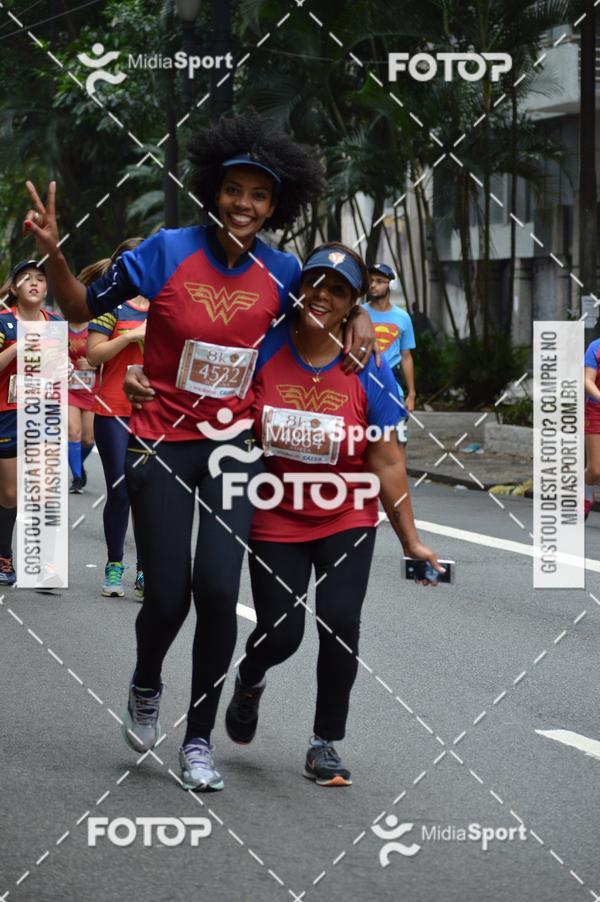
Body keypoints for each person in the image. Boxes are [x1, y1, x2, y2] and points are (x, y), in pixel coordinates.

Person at [23, 112, 376, 793]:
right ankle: (148, 680)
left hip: (234, 450)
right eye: (234, 190)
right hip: (160, 440)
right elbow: (78, 309)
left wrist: (359, 312)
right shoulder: (165, 250)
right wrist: (59, 257)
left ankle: (198, 741)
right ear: (214, 190)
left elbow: (329, 300)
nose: (244, 205)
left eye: (260, 196)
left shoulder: (280, 273)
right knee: (169, 597)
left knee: (218, 591)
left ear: (276, 206)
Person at [224, 244, 443, 786]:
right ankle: (251, 676)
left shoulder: (365, 367)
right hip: (276, 513)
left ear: (352, 304)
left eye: (339, 290)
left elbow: (388, 458)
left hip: (346, 512)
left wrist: (412, 541)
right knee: (282, 635)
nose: (322, 294)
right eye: (315, 282)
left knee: (341, 625)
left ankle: (325, 743)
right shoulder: (264, 346)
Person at [83, 240, 147, 599]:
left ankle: (145, 571)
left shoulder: (167, 305)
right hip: (112, 410)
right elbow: (93, 355)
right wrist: (133, 336)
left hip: (154, 413)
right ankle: (114, 566)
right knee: (120, 490)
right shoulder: (111, 306)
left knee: (147, 494)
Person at [0, 261, 62, 587]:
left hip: (43, 412)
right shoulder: (3, 323)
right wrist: (17, 348)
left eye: (40, 278)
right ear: (14, 288)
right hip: (7, 413)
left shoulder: (55, 324)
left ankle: (45, 566)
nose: (34, 283)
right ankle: (4, 556)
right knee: (9, 492)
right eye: (26, 279)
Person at [363, 263, 416, 448]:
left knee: (397, 442)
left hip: (394, 388)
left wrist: (412, 394)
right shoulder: (359, 314)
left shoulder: (403, 318)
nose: (373, 285)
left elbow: (407, 356)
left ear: (390, 285)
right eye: (370, 281)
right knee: (363, 441)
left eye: (379, 281)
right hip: (364, 384)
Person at [67, 304, 99, 494]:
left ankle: (78, 464)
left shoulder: (97, 327)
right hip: (68, 389)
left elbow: (107, 356)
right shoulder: (60, 328)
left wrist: (94, 362)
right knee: (73, 433)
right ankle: (77, 478)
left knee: (88, 439)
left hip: (92, 390)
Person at [584, 337, 600, 519]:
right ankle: (586, 494)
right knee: (595, 470)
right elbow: (587, 381)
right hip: (595, 410)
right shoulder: (595, 347)